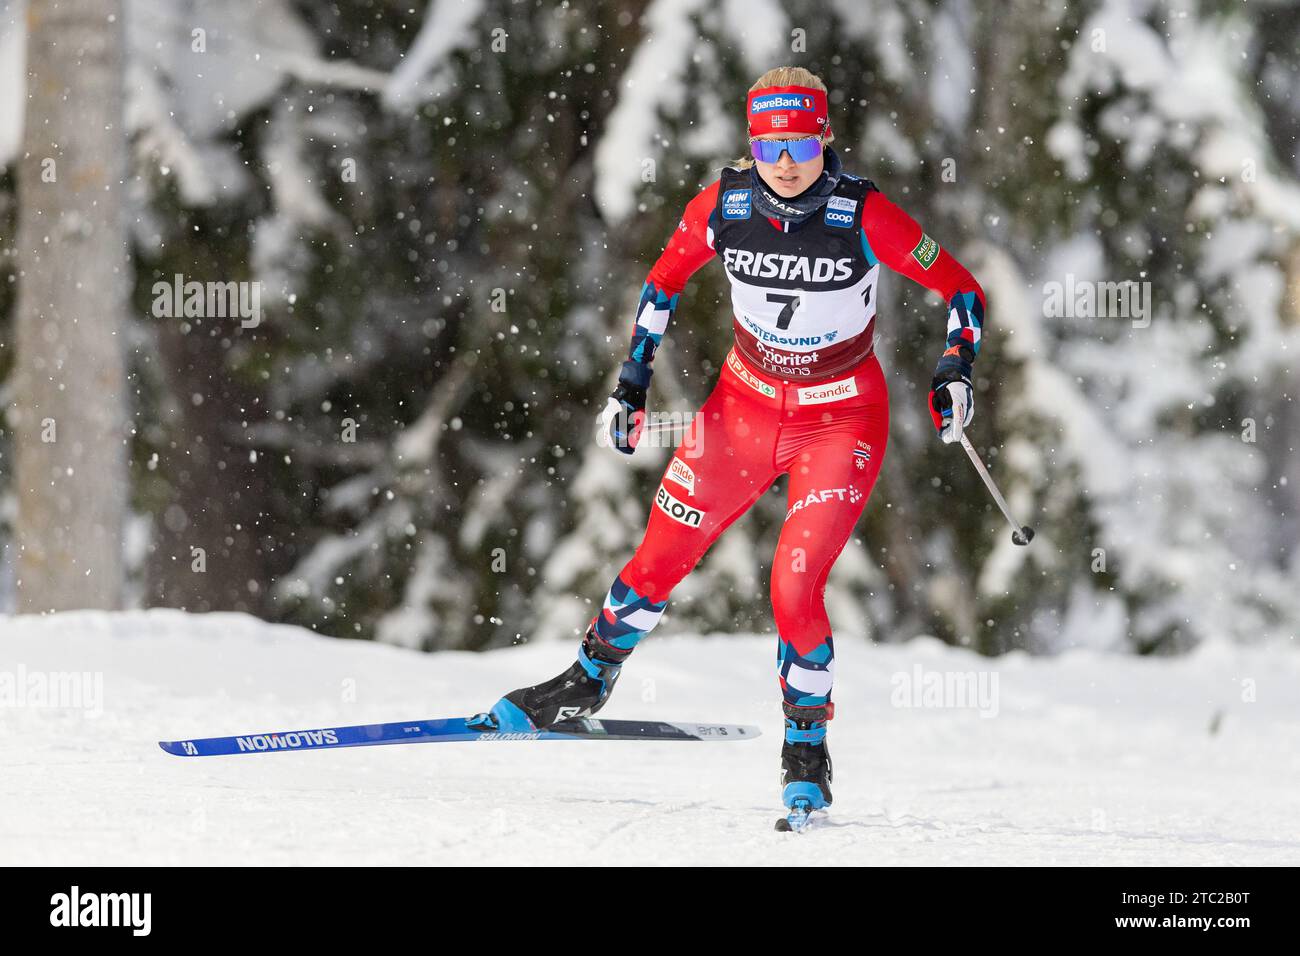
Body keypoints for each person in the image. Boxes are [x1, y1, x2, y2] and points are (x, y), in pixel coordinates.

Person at [471, 66, 986, 820]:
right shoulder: (725, 203)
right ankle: (587, 680)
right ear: (752, 141)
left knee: (794, 584)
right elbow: (663, 283)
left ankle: (806, 746)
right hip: (742, 408)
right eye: (770, 142)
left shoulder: (863, 214)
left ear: (824, 137)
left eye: (800, 141)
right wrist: (632, 384)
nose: (785, 160)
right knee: (658, 554)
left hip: (839, 417)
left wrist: (955, 371)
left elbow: (964, 290)